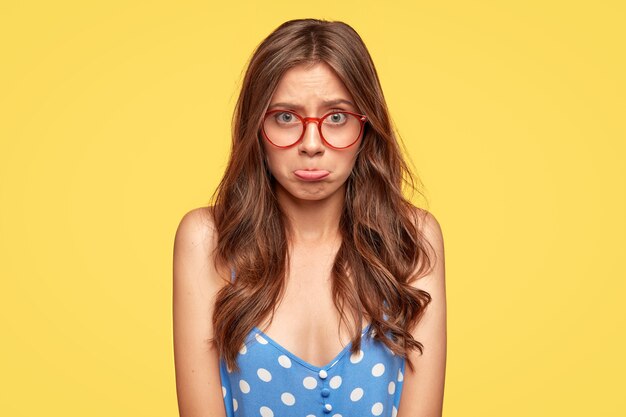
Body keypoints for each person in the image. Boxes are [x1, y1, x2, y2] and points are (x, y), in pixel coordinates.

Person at [173, 18, 446, 417]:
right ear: (257, 125)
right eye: (286, 117)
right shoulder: (206, 241)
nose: (312, 144)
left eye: (336, 117)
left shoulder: (412, 239)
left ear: (366, 125)